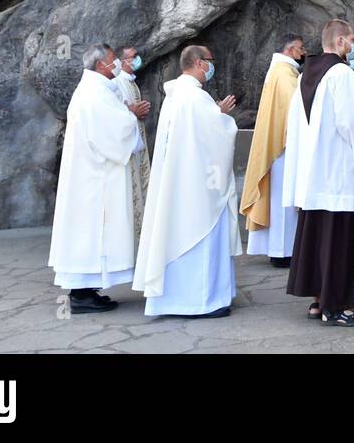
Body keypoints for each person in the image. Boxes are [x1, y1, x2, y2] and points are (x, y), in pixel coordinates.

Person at [133, 45, 241, 318]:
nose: (212, 66)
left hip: (181, 181)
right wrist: (223, 118)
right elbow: (214, 136)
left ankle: (180, 299)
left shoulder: (176, 95)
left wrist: (215, 113)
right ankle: (201, 302)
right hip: (198, 188)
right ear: (198, 63)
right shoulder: (194, 98)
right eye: (210, 61)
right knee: (200, 236)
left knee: (177, 233)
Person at [282, 19, 354, 326]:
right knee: (341, 241)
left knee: (318, 238)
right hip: (339, 175)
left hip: (314, 176)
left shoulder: (304, 77)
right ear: (339, 43)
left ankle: (318, 300)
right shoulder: (341, 75)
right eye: (351, 41)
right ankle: (339, 307)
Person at [48, 44, 144, 314]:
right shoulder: (93, 94)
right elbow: (114, 130)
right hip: (93, 180)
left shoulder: (95, 90)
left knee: (89, 233)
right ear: (101, 65)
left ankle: (87, 290)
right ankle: (80, 295)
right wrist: (130, 115)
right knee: (89, 233)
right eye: (114, 60)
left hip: (91, 176)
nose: (117, 65)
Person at [241, 34, 305, 267]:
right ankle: (282, 251)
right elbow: (296, 110)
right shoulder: (284, 74)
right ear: (289, 50)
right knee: (283, 203)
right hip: (284, 149)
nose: (302, 52)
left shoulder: (280, 71)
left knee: (279, 202)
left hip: (278, 148)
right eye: (299, 48)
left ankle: (280, 249)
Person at [108, 45, 152, 237]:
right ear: (122, 60)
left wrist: (139, 114)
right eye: (133, 57)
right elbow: (114, 115)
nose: (137, 59)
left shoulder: (132, 82)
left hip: (137, 140)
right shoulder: (117, 83)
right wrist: (132, 112)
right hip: (127, 148)